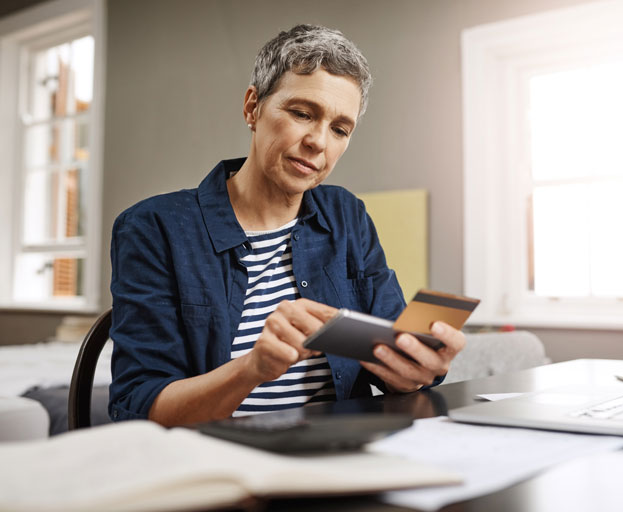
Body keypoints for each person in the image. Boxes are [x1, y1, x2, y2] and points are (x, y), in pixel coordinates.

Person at [109, 24, 466, 427]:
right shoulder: (154, 228)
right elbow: (138, 405)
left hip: (340, 453)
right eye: (301, 113)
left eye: (339, 129)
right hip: (218, 461)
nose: (319, 142)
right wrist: (253, 368)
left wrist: (420, 368)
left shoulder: (346, 215)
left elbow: (390, 361)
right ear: (252, 108)